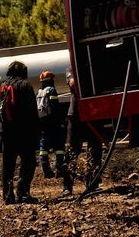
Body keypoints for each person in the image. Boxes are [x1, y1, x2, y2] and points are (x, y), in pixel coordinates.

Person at [0, 60, 39, 204]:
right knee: (29, 162)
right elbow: (32, 111)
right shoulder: (25, 85)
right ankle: (23, 192)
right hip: (24, 131)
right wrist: (36, 132)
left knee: (8, 165)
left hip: (7, 131)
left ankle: (8, 196)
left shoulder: (3, 86)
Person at [61, 67, 103, 196]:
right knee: (72, 151)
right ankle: (67, 186)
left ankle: (92, 183)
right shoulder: (71, 69)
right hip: (76, 116)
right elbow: (73, 83)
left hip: (94, 112)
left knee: (95, 149)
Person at [36, 70, 65, 179]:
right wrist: (60, 122)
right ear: (51, 80)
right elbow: (55, 107)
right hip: (54, 123)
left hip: (43, 123)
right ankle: (59, 169)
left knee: (43, 148)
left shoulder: (38, 92)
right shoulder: (52, 90)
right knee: (59, 147)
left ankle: (46, 170)